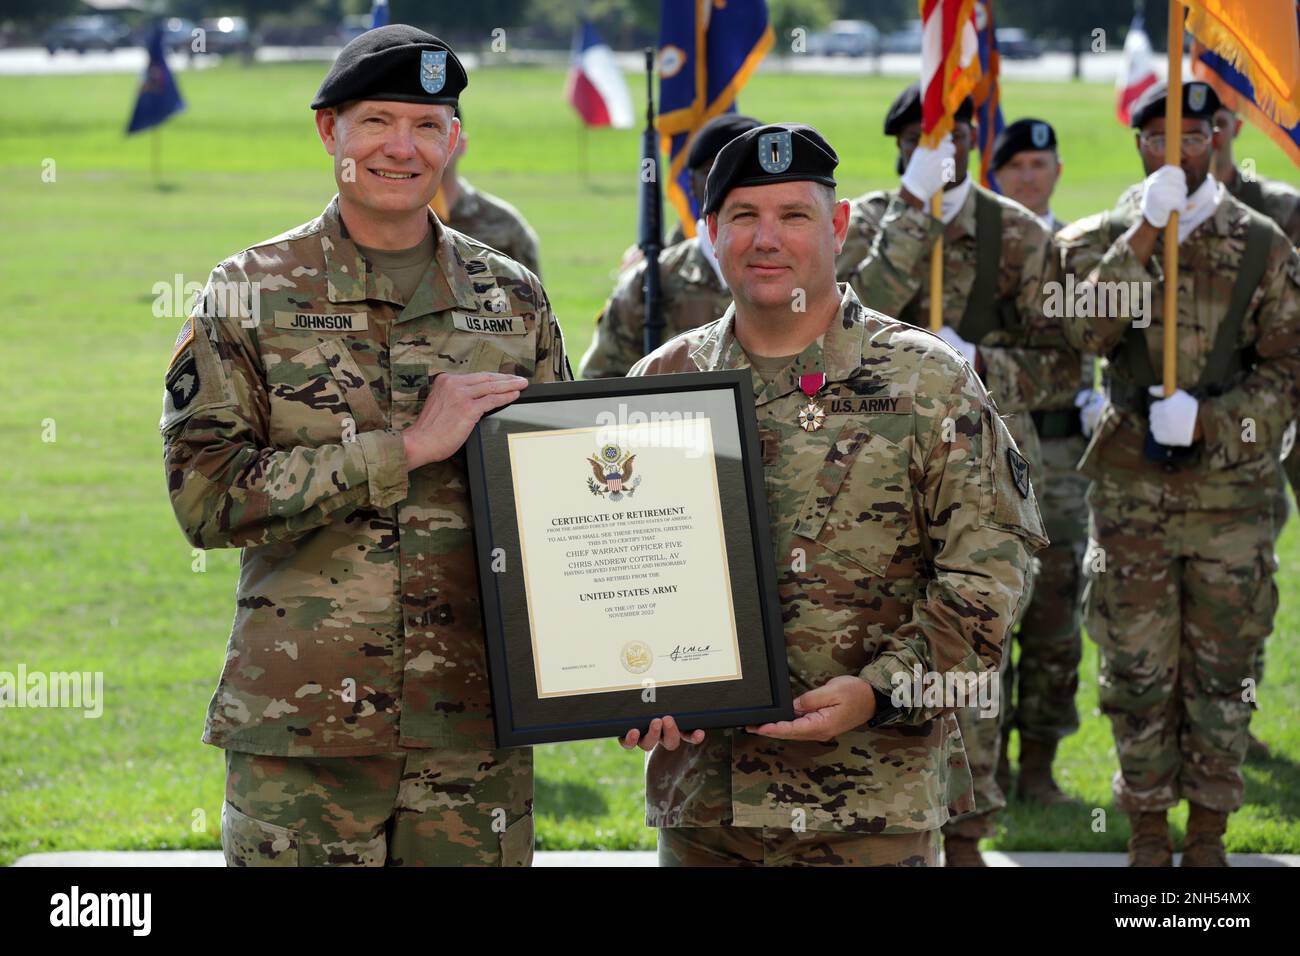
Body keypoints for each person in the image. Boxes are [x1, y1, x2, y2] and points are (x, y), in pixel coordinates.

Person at [159, 24, 571, 867]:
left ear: (453, 140)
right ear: (329, 131)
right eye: (377, 120)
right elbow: (207, 498)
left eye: (427, 125)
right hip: (304, 736)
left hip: (475, 734)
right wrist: (406, 448)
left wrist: (641, 665)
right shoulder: (251, 292)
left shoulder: (512, 297)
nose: (402, 147)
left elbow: (565, 503)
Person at [620, 122, 1047, 867]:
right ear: (711, 229)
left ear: (839, 226)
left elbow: (992, 579)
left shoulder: (926, 380)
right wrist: (624, 684)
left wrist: (881, 691)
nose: (767, 240)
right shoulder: (664, 381)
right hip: (706, 811)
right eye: (745, 217)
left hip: (870, 806)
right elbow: (620, 571)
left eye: (795, 216)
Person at [1056, 80, 1300, 866]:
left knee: (1225, 671)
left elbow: (1289, 365)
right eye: (1160, 138)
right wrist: (1141, 237)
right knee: (1135, 666)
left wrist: (1215, 421)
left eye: (1194, 137)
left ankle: (1209, 837)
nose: (1180, 152)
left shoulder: (1262, 243)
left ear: (1219, 140)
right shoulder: (1098, 240)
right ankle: (1148, 834)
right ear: (1140, 146)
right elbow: (1084, 331)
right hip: (1132, 494)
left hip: (1233, 495)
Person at [840, 83, 1078, 865]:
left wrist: (981, 367)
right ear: (900, 145)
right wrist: (913, 219)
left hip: (980, 483)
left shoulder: (1014, 234)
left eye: (951, 131)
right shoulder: (868, 225)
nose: (936, 145)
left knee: (968, 660)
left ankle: (969, 832)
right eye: (919, 135)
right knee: (875, 656)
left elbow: (1067, 362)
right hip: (868, 485)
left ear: (976, 140)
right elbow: (833, 332)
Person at [988, 117, 1099, 804]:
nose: (1028, 176)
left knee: (1058, 618)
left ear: (1058, 170)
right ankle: (988, 766)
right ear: (996, 177)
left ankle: (1040, 766)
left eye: (1040, 163)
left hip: (1065, 456)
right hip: (998, 455)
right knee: (993, 613)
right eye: (1015, 165)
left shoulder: (1084, 249)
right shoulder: (979, 254)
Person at [580, 114, 761, 379]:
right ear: (691, 184)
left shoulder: (797, 272)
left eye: (745, 176)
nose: (729, 189)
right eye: (715, 174)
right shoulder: (649, 283)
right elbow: (601, 385)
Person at [432, 105, 543, 276]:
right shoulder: (388, 221)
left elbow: (534, 299)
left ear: (460, 144)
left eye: (432, 127)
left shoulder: (504, 225)